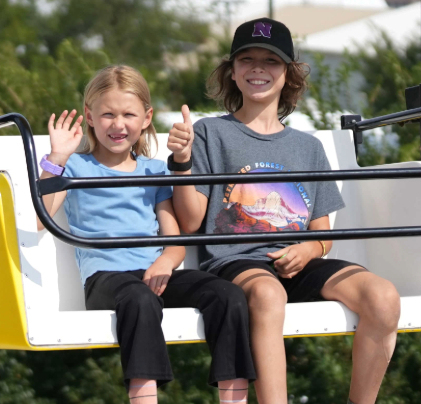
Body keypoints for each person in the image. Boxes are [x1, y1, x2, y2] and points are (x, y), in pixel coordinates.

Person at [167, 19, 401, 404]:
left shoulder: (307, 147)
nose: (258, 68)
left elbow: (323, 232)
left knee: (384, 297)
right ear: (233, 72)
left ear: (288, 73)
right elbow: (192, 223)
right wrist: (181, 161)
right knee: (269, 294)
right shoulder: (210, 134)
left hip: (297, 261)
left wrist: (308, 250)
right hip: (239, 261)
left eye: (271, 61)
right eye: (247, 59)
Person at [36, 65, 256, 404]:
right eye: (107, 114)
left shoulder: (154, 170)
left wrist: (166, 262)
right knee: (139, 299)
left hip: (154, 275)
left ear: (146, 117)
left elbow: (175, 241)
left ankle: (234, 397)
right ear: (89, 117)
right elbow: (40, 219)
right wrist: (56, 159)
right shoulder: (75, 168)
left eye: (128, 114)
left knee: (226, 295)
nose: (118, 124)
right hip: (106, 280)